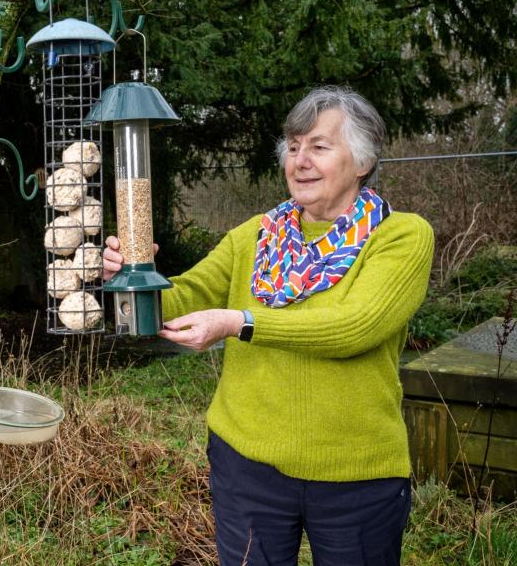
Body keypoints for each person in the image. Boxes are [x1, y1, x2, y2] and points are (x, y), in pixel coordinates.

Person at [102, 86, 434, 566]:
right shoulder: (257, 235)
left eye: (319, 147)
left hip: (354, 476)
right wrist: (132, 280)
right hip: (246, 467)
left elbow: (353, 326)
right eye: (294, 147)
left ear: (362, 162)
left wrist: (241, 322)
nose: (301, 160)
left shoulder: (401, 236)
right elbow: (182, 298)